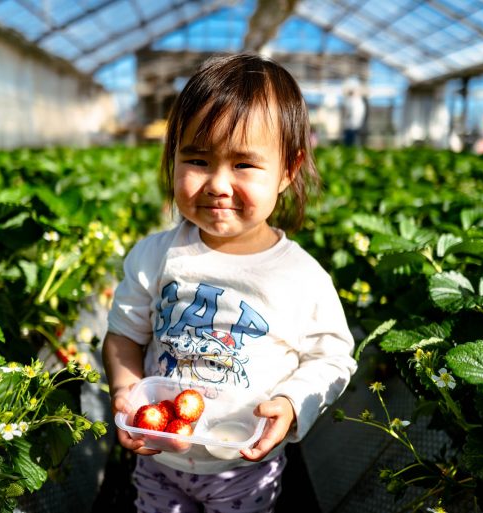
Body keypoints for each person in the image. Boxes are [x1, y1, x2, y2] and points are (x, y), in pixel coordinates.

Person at [102, 53, 357, 513]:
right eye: (197, 159)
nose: (218, 183)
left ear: (287, 171)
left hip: (243, 465)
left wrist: (293, 402)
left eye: (244, 165)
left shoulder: (300, 276)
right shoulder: (156, 256)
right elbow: (123, 335)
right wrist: (126, 390)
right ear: (173, 156)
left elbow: (332, 355)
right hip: (159, 455)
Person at [340, 78, 367, 146]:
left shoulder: (357, 101)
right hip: (350, 127)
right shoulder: (350, 100)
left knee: (353, 144)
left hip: (354, 127)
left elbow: (355, 115)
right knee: (349, 145)